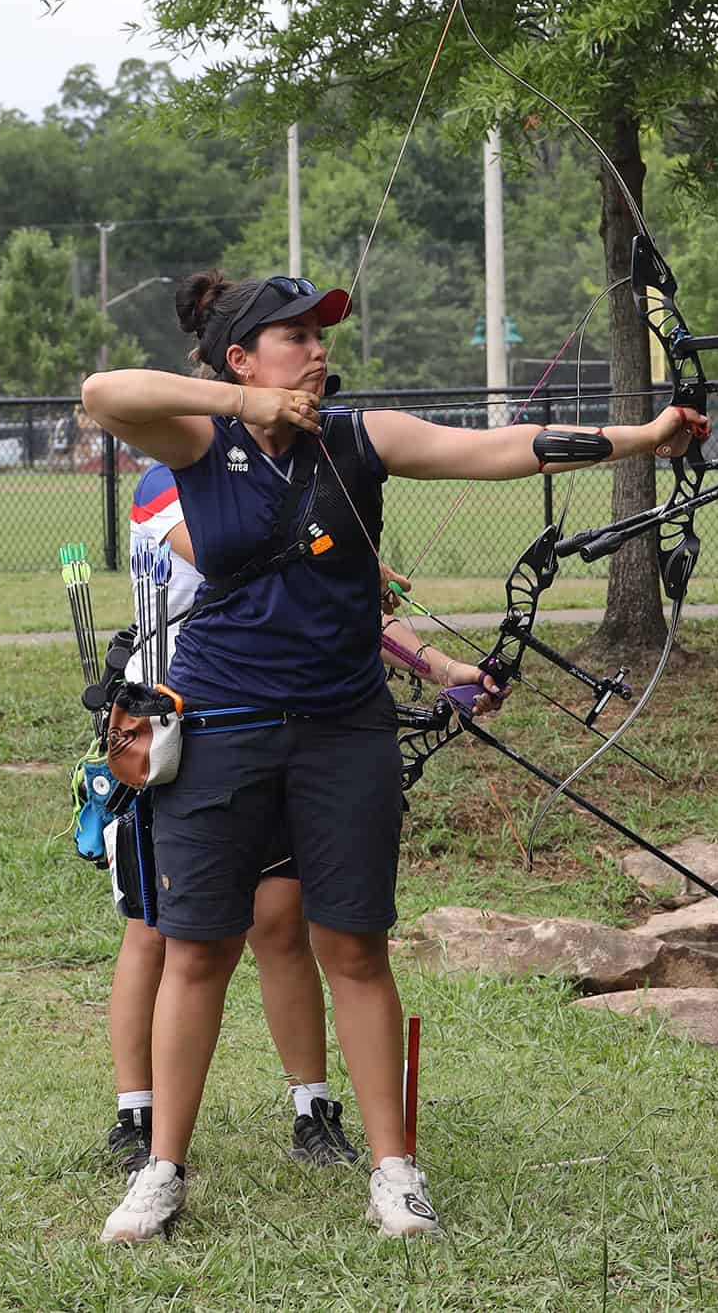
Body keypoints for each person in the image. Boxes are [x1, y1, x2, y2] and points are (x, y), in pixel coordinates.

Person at [81, 268, 707, 1243]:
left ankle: (394, 1172)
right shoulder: (200, 441)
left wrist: (644, 439)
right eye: (293, 336)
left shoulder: (357, 440)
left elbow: (502, 448)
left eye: (320, 334)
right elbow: (103, 394)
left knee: (353, 949)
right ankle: (161, 1171)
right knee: (197, 952)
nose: (316, 349)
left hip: (343, 730)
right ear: (243, 356)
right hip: (222, 725)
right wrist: (244, 402)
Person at [102, 463, 496, 1179]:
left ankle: (311, 1108)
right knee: (157, 928)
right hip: (178, 730)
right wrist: (335, 551)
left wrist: (440, 667)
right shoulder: (167, 481)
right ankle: (137, 1114)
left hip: (273, 732)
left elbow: (327, 605)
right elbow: (247, 565)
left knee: (280, 919)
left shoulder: (287, 489)